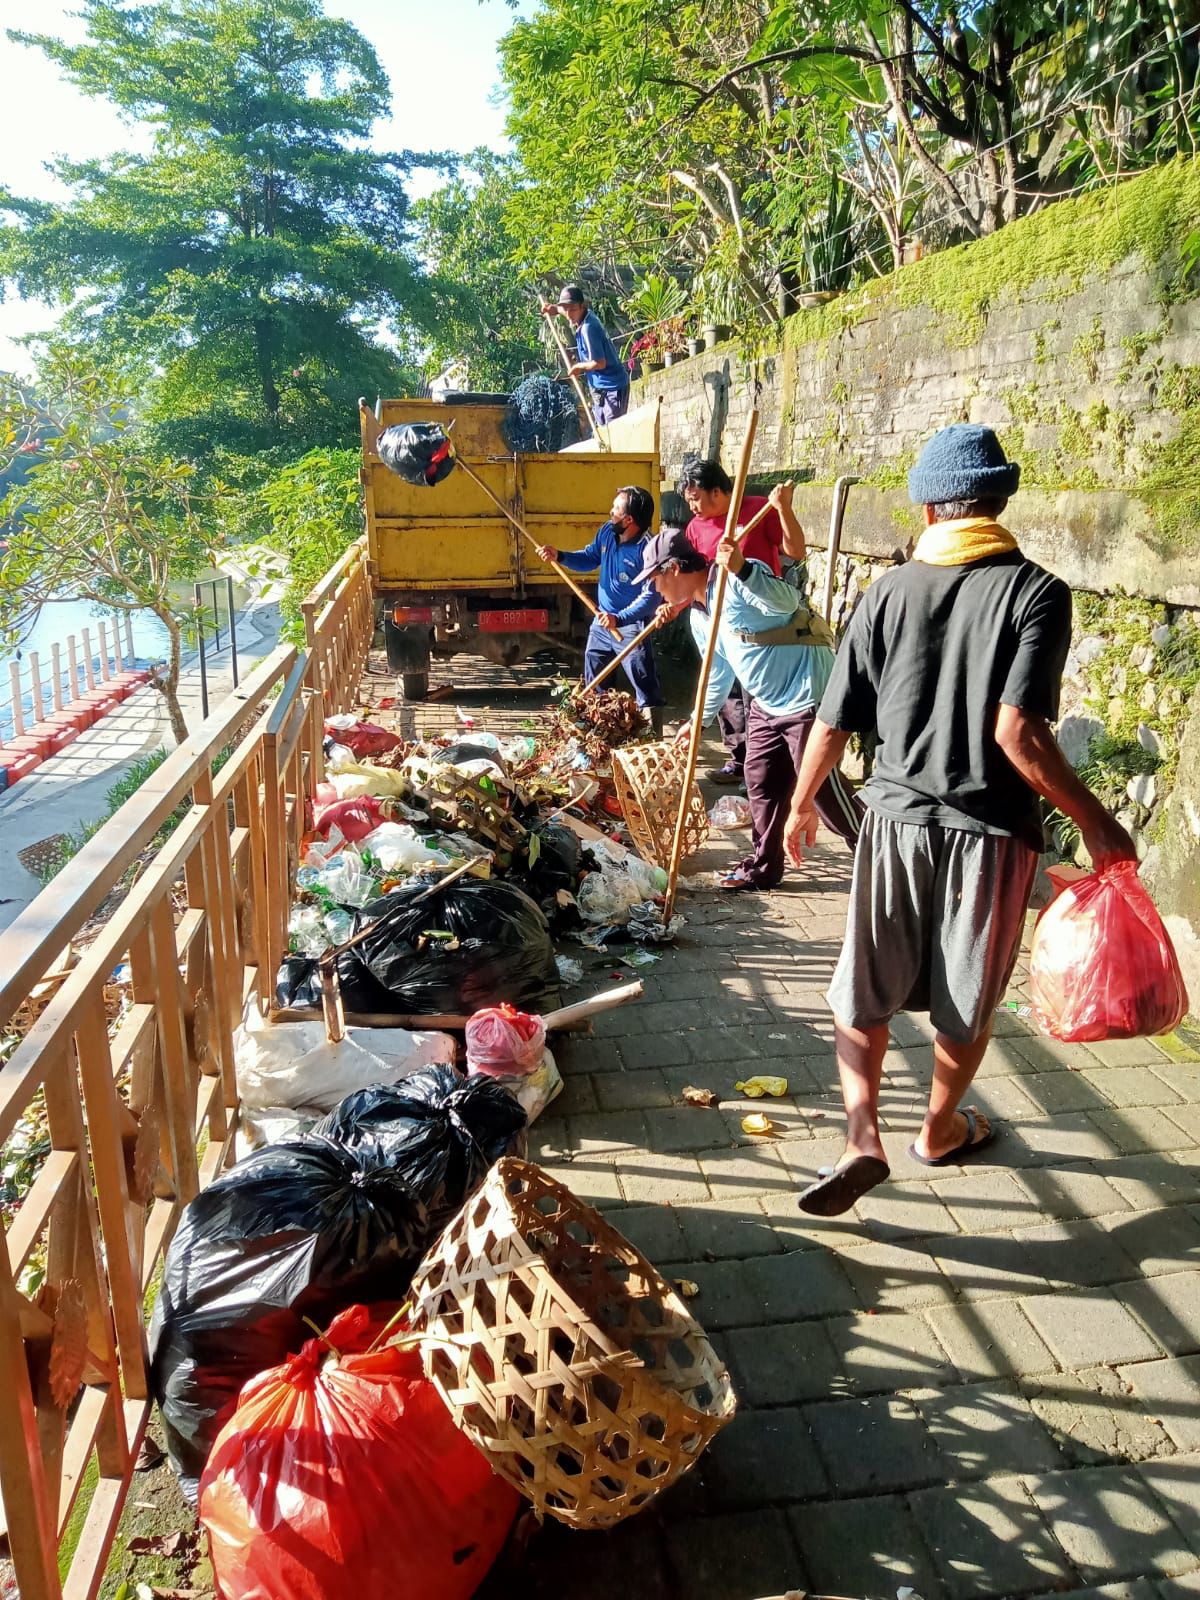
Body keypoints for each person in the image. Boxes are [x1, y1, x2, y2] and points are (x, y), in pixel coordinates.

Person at [781, 424, 1137, 1217]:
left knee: (862, 988)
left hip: (895, 821)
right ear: (1000, 499)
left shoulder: (887, 592)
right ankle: (938, 1131)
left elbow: (832, 723)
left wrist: (801, 804)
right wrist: (1098, 823)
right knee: (965, 997)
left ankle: (861, 1135)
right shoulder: (1036, 591)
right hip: (993, 834)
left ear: (930, 505)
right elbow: (1019, 732)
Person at [635, 526, 861, 889]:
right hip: (765, 704)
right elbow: (717, 673)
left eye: (656, 579)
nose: (654, 589)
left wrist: (742, 568)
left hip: (805, 693)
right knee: (761, 782)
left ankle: (873, 853)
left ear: (674, 568)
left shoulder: (735, 577)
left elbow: (787, 602)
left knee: (821, 789)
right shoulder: (698, 616)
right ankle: (764, 866)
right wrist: (698, 720)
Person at [678, 462, 807, 785]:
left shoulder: (757, 510)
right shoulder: (695, 528)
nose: (692, 507)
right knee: (727, 697)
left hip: (761, 626)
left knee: (756, 699)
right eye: (688, 500)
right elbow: (694, 576)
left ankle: (774, 773)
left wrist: (784, 509)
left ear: (718, 491)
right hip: (718, 623)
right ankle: (741, 762)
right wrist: (677, 604)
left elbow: (796, 550)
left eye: (696, 498)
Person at [537, 486, 664, 732]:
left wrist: (620, 618)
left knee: (644, 683)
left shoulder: (649, 549)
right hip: (602, 623)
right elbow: (590, 557)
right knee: (595, 682)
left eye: (615, 510)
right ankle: (600, 733)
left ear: (629, 520)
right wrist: (560, 556)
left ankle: (654, 740)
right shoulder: (607, 532)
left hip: (632, 627)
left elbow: (652, 597)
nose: (610, 513)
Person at [540, 285, 630, 429]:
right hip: (598, 388)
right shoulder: (580, 315)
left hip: (613, 387)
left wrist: (578, 367)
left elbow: (599, 363)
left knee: (613, 431)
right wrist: (555, 309)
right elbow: (567, 309)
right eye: (566, 308)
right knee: (601, 430)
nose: (569, 314)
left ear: (583, 306)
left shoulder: (589, 328)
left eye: (573, 309)